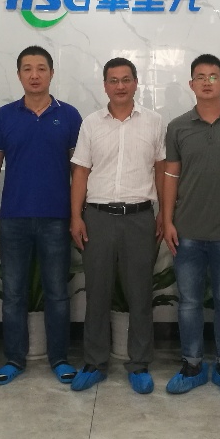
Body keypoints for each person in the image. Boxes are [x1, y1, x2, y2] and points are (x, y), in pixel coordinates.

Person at [161, 53, 220, 397]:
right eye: (200, 77)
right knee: (188, 303)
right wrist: (167, 220)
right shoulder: (177, 126)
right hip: (187, 231)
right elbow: (171, 176)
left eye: (213, 76)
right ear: (191, 84)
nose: (206, 82)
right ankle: (192, 365)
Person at [0, 46, 82, 386]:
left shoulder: (69, 116)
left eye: (41, 68)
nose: (34, 75)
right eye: (27, 68)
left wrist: (77, 215)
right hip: (14, 217)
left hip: (56, 218)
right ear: (19, 75)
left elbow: (78, 171)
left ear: (52, 73)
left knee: (57, 292)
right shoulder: (4, 116)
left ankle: (60, 358)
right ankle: (14, 358)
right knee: (13, 293)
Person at [69, 57, 166, 394]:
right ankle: (94, 362)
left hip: (140, 217)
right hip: (97, 217)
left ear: (136, 83)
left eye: (126, 79)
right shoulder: (91, 123)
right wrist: (76, 216)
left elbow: (162, 171)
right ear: (105, 86)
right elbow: (81, 172)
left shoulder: (154, 122)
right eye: (114, 80)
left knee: (140, 294)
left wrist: (164, 215)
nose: (120, 86)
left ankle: (139, 364)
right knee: (97, 293)